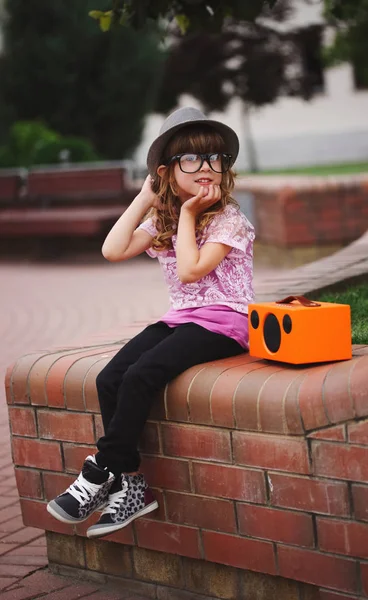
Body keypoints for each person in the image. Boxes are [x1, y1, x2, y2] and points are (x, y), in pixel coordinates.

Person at [46, 106, 255, 539]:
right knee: (110, 379)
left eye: (215, 159)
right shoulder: (164, 216)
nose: (207, 169)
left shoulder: (229, 218)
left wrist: (189, 215)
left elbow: (191, 271)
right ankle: (129, 483)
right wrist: (146, 198)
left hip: (228, 321)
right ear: (167, 171)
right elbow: (112, 249)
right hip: (182, 319)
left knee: (143, 375)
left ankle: (101, 470)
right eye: (192, 160)